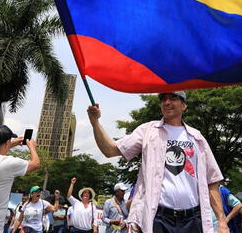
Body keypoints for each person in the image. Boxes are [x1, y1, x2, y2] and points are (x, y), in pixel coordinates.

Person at [88, 90, 228, 233]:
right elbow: (110, 150)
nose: (167, 102)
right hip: (159, 219)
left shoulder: (196, 138)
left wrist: (222, 220)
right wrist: (95, 122)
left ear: (184, 105)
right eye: (163, 99)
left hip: (193, 220)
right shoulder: (148, 131)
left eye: (173, 98)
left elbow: (212, 180)